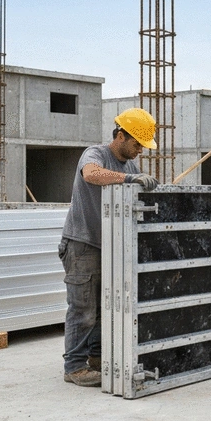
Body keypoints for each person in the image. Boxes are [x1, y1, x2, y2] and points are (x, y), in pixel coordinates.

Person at [59, 107, 160, 386]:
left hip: (110, 245)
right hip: (83, 243)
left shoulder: (130, 166)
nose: (140, 149)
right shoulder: (95, 154)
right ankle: (74, 367)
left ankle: (95, 358)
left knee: (105, 308)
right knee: (83, 309)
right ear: (120, 135)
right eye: (137, 143)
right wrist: (129, 179)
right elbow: (91, 175)